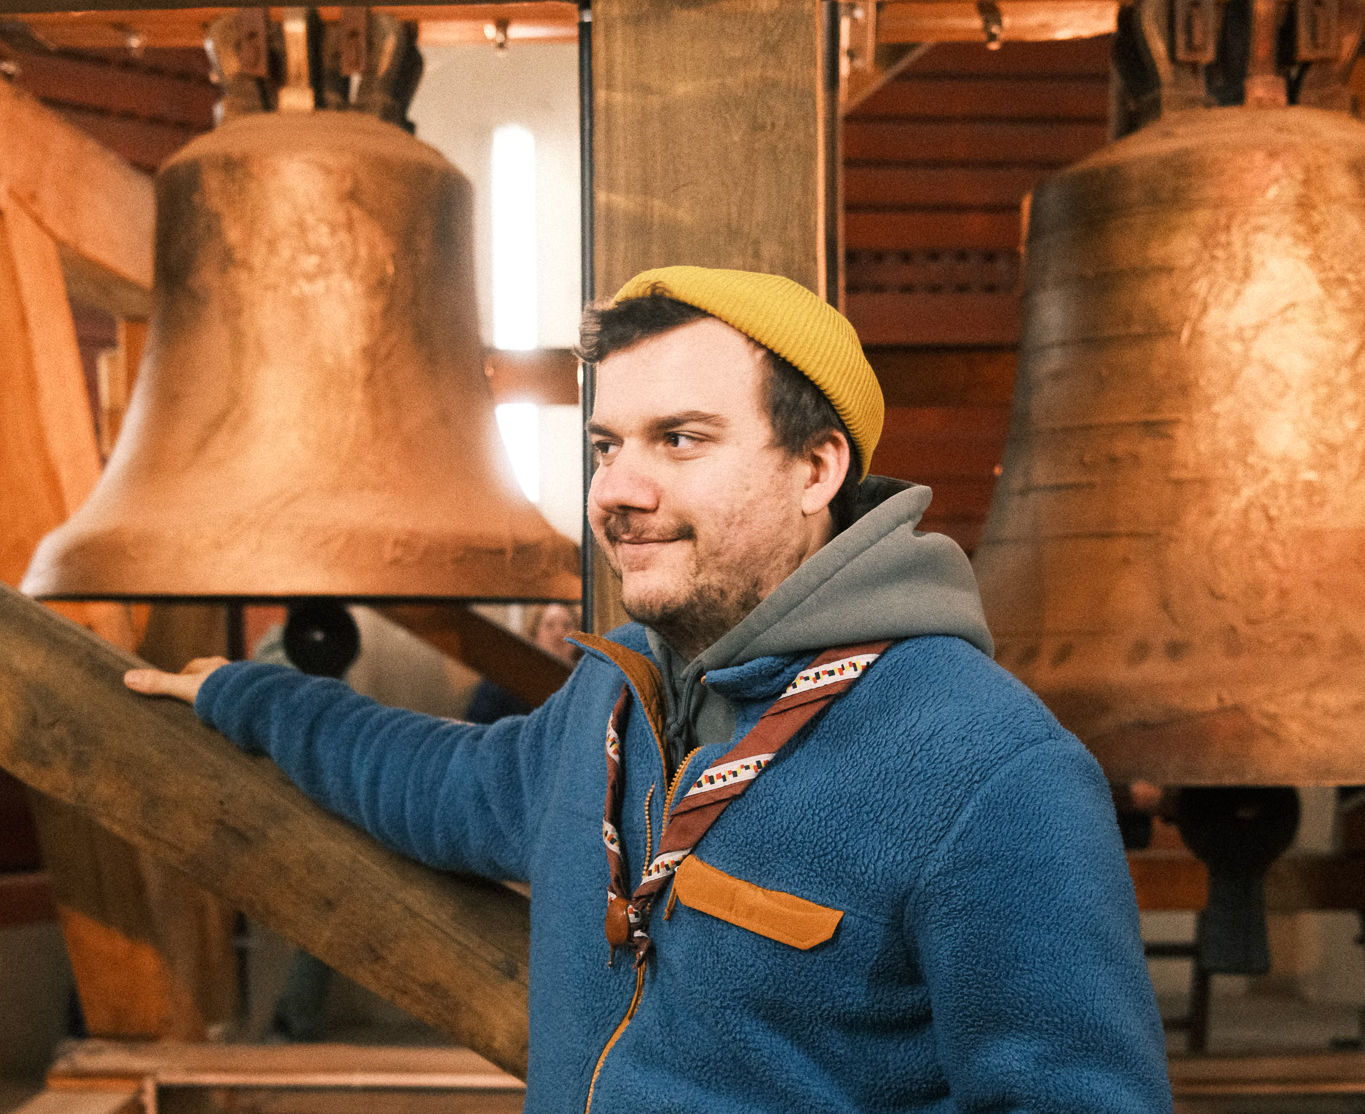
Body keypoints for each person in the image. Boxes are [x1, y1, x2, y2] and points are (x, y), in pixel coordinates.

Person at [125, 266, 1173, 1113]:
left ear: (816, 468)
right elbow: (434, 780)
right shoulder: (615, 702)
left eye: (680, 438)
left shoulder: (990, 771)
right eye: (605, 445)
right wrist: (248, 698)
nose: (618, 489)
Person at [465, 603, 582, 723]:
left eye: (567, 626)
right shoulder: (506, 677)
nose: (559, 634)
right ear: (535, 633)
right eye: (549, 625)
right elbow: (478, 722)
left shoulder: (584, 680)